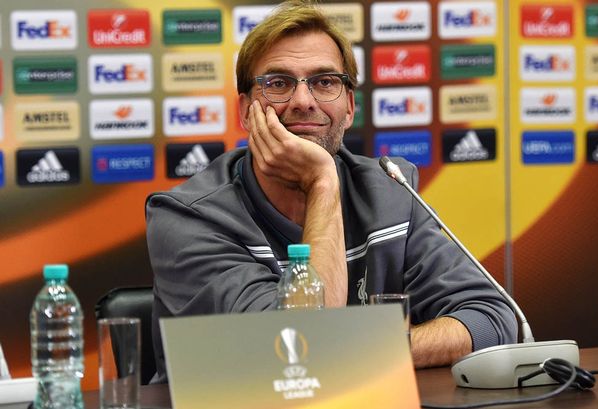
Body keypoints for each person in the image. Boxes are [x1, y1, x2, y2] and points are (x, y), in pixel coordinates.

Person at [145, 0, 517, 383]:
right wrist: (322, 181)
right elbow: (300, 352)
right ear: (245, 111)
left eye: (325, 82)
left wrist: (363, 350)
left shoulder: (391, 193)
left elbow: (493, 319)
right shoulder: (187, 217)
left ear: (350, 106)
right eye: (278, 83)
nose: (304, 101)